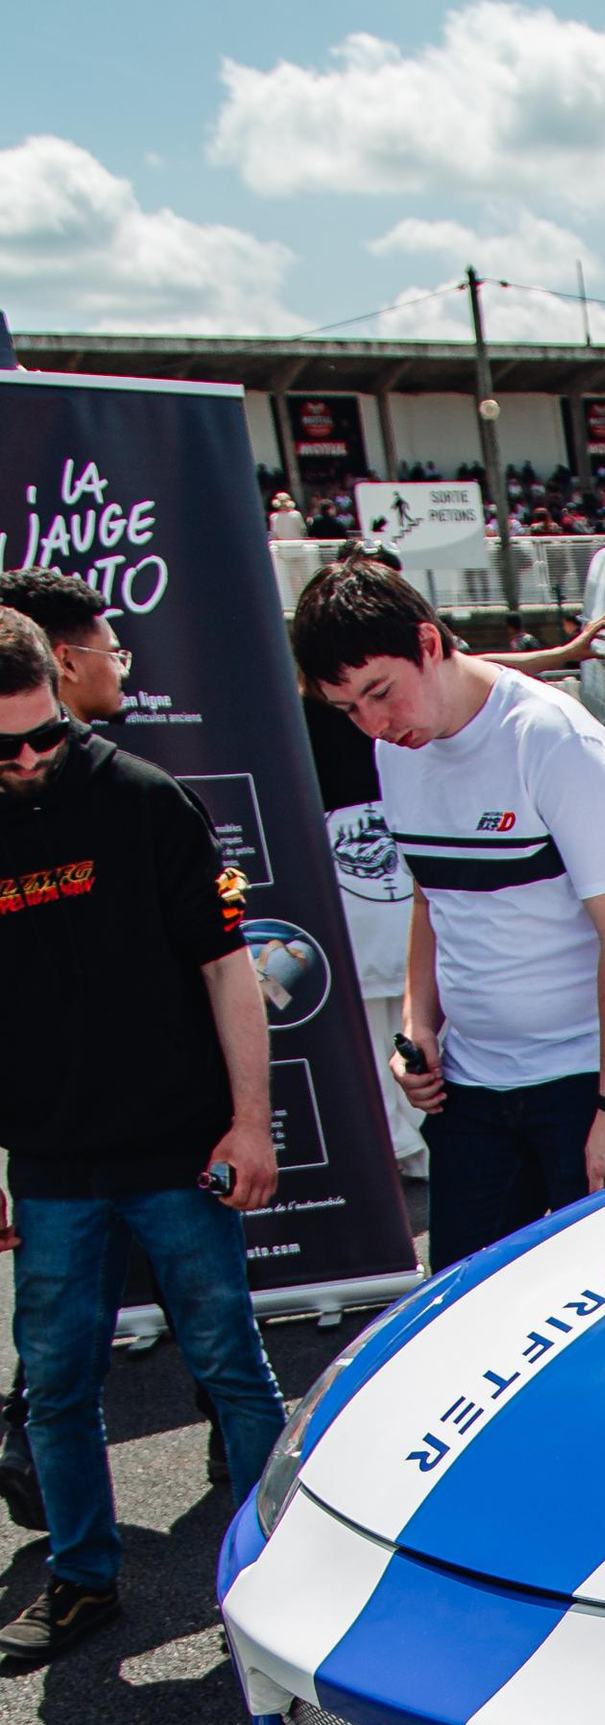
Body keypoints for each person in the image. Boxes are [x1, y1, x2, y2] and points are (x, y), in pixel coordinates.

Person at [0, 610, 285, 1667]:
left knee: (231, 1365)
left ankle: (276, 1573)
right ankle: (81, 1580)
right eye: (6, 749)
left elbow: (227, 969)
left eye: (46, 737)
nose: (30, 760)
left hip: (176, 1151)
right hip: (50, 1166)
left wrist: (250, 1121)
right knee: (57, 1384)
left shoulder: (144, 800)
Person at [288, 561, 605, 1269]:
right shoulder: (394, 749)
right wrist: (419, 1023)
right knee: (463, 1300)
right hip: (474, 1081)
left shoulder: (553, 739)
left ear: (430, 643)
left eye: (381, 693)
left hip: (592, 1076)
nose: (374, 723)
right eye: (348, 709)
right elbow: (430, 895)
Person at [0, 572, 140, 1528]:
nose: (120, 669)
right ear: (64, 661)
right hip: (57, 1144)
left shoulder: (139, 790)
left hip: (169, 1123)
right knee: (57, 1346)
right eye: (107, 650)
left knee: (219, 1339)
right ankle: (51, 1488)